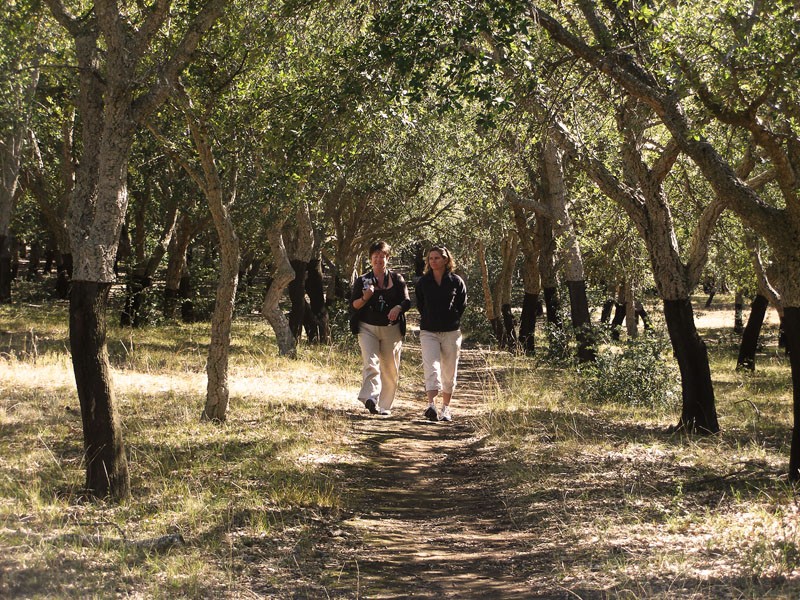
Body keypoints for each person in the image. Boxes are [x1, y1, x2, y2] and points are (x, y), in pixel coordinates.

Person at [350, 241, 411, 416]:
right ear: (370, 259)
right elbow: (354, 305)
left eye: (382, 256)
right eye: (375, 256)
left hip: (391, 330)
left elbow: (406, 301)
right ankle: (370, 398)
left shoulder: (397, 279)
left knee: (390, 368)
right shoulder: (362, 280)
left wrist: (398, 308)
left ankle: (384, 406)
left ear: (387, 258)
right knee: (371, 362)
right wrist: (366, 297)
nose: (378, 259)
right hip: (367, 328)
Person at [415, 245, 467, 422]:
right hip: (428, 330)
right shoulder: (423, 282)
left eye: (437, 258)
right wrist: (431, 318)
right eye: (430, 258)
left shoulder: (456, 281)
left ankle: (446, 408)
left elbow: (462, 304)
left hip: (451, 332)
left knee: (449, 370)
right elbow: (421, 305)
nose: (433, 261)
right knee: (431, 367)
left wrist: (451, 318)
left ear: (446, 260)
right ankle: (431, 406)